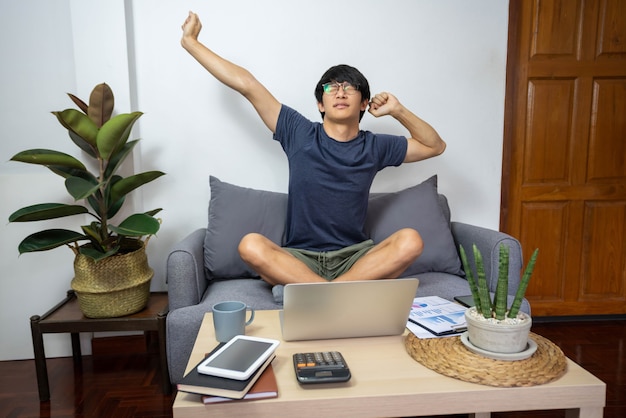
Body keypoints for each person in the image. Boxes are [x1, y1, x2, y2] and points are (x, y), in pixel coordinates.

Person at [181, 12, 446, 286]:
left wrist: (397, 110)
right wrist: (191, 43)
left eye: (350, 88)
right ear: (321, 104)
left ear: (364, 103)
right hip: (299, 258)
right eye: (331, 88)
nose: (340, 93)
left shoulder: (376, 145)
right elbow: (248, 85)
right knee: (250, 245)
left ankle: (323, 292)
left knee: (411, 240)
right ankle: (333, 292)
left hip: (354, 257)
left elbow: (434, 146)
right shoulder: (299, 132)